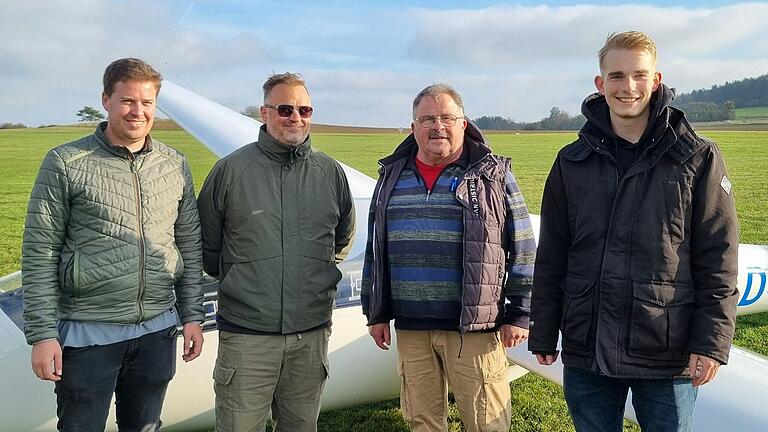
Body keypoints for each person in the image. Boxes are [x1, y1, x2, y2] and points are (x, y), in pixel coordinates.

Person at [528, 31, 739, 432]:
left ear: (656, 80)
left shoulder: (696, 157)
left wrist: (710, 342)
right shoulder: (572, 161)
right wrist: (543, 329)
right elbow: (552, 253)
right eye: (617, 76)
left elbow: (719, 255)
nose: (628, 87)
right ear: (600, 83)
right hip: (587, 345)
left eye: (639, 75)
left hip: (666, 349)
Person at [22, 58, 205, 432]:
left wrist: (192, 316)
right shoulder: (66, 162)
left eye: (148, 103)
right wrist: (42, 335)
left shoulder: (174, 163)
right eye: (127, 101)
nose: (138, 112)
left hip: (157, 332)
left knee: (145, 427)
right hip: (88, 334)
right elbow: (40, 252)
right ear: (106, 100)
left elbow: (189, 245)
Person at [361, 83, 537, 432]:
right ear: (414, 128)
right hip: (412, 327)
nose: (437, 125)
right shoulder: (391, 175)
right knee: (422, 421)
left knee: (486, 422)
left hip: (473, 327)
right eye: (427, 118)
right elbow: (376, 248)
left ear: (463, 123)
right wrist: (376, 311)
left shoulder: (494, 175)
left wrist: (521, 312)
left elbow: (524, 246)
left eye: (446, 117)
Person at [197, 72, 355, 432]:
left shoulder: (330, 173)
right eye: (285, 109)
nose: (295, 117)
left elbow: (342, 238)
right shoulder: (231, 171)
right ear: (264, 113)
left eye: (304, 109)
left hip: (311, 336)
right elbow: (208, 248)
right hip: (247, 337)